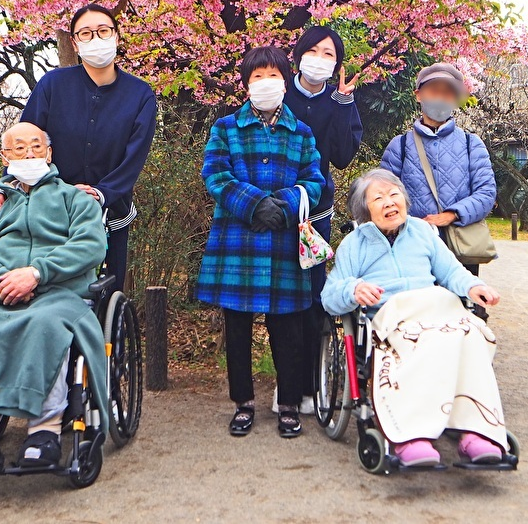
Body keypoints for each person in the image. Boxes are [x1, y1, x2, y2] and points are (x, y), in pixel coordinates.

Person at [0, 122, 108, 469]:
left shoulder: (74, 199)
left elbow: (91, 246)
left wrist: (36, 273)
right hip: (2, 295)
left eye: (37, 147)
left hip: (61, 294)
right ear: (5, 156)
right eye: (20, 148)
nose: (29, 154)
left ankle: (45, 427)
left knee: (43, 324)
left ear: (50, 153)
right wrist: (1, 280)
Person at [321, 169, 507, 467]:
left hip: (437, 307)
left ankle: (475, 430)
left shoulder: (422, 232)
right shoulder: (354, 245)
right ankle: (411, 436)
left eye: (395, 194)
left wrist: (474, 286)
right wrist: (354, 289)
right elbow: (330, 295)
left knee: (471, 333)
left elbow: (451, 271)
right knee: (425, 341)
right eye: (379, 198)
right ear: (364, 210)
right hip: (392, 316)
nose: (390, 202)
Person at [196, 46, 325, 438]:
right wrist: (254, 206)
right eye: (257, 76)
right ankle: (243, 403)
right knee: (236, 327)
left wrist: (283, 206)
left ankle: (288, 404)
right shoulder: (225, 128)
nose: (265, 82)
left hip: (284, 242)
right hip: (239, 241)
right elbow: (215, 175)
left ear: (285, 81)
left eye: (272, 75)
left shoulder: (301, 132)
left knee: (288, 327)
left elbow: (315, 180)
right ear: (246, 83)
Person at [16, 2, 157, 292]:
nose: (96, 39)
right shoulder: (53, 85)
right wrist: (18, 183)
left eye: (103, 31)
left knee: (105, 293)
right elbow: (27, 139)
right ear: (75, 43)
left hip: (111, 211)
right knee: (46, 287)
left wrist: (101, 192)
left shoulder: (140, 94)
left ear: (117, 37)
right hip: (50, 206)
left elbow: (135, 156)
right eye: (86, 34)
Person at [282, 26, 363, 413]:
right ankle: (288, 387)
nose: (319, 58)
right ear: (297, 55)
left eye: (329, 53)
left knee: (314, 297)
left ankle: (314, 385)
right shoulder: (277, 93)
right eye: (312, 50)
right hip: (276, 210)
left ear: (337, 63)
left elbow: (344, 156)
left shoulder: (338, 100)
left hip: (317, 216)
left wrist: (345, 104)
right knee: (282, 299)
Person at [379, 62, 496, 313]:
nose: (440, 98)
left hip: (458, 245)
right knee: (414, 313)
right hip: (411, 245)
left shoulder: (470, 144)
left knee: (462, 314)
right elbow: (383, 194)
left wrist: (452, 215)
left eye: (448, 92)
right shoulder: (399, 146)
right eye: (434, 91)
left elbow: (486, 192)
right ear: (418, 95)